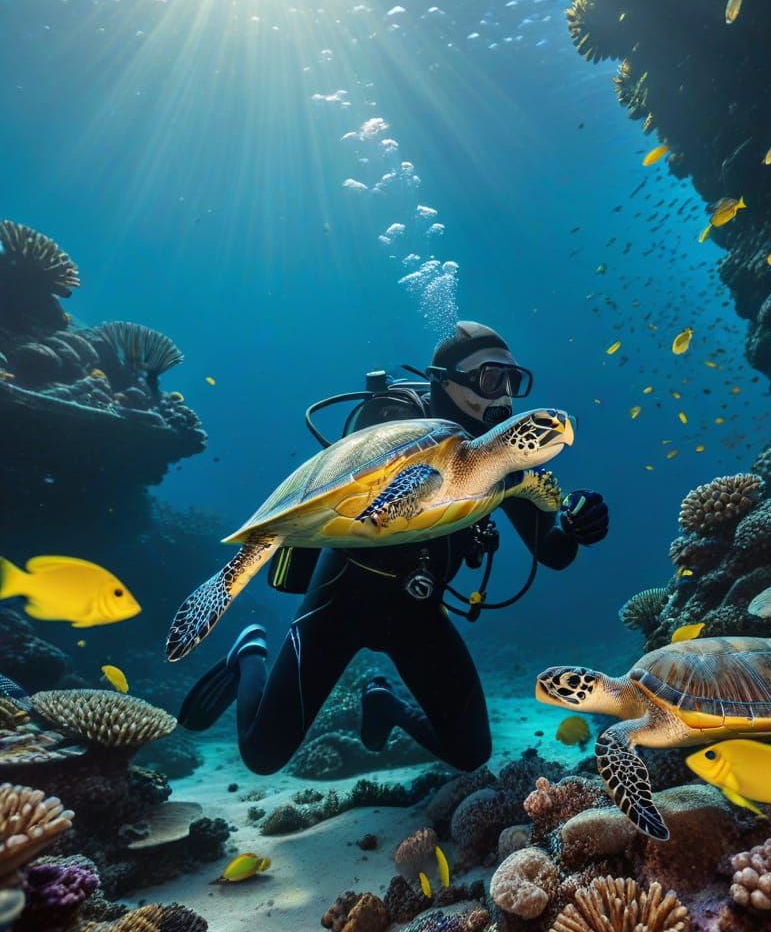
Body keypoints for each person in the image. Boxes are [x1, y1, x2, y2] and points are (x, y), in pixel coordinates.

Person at [177, 321, 609, 774]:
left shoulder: (503, 466)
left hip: (418, 612)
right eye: (491, 378)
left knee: (472, 753)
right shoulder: (390, 413)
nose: (504, 395)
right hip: (341, 602)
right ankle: (250, 653)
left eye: (515, 382)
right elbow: (377, 482)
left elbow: (554, 554)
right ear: (444, 379)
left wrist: (576, 526)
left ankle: (385, 705)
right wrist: (404, 494)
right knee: (263, 755)